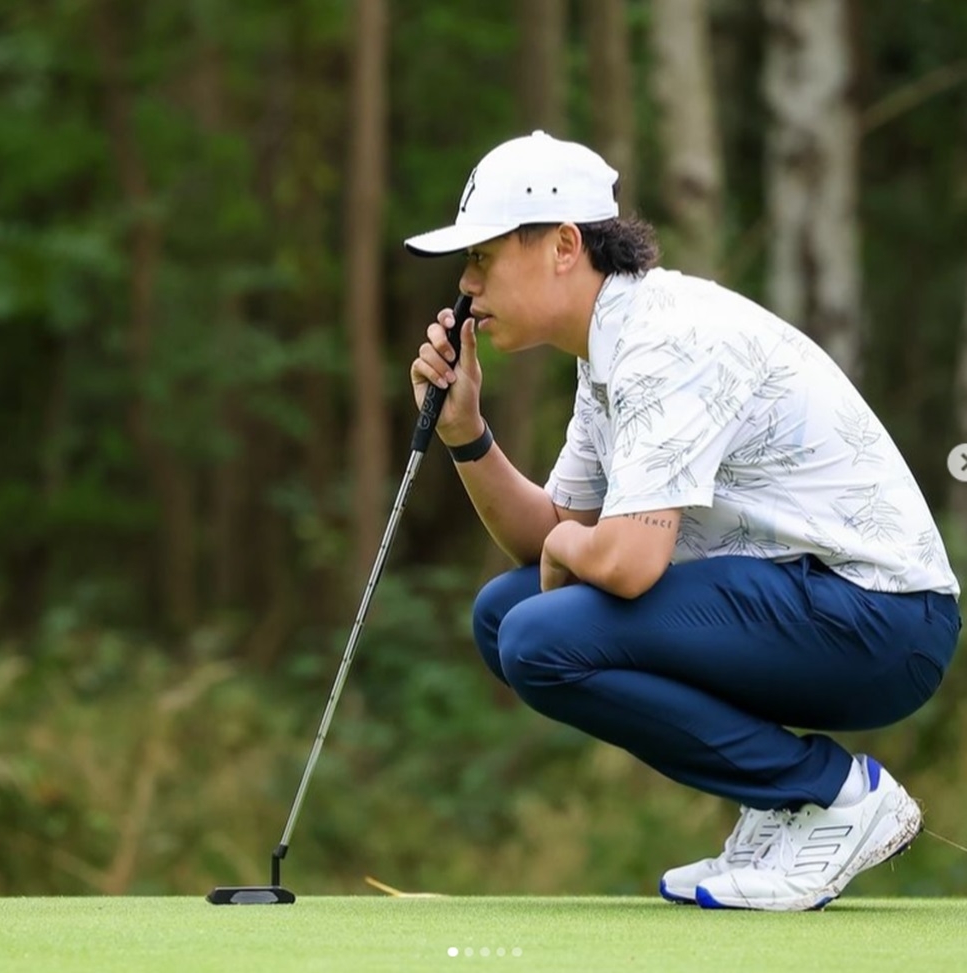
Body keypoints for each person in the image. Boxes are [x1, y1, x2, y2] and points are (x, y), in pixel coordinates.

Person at [404, 130, 961, 911]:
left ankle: (835, 795)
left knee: (537, 633)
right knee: (509, 614)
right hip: (815, 607)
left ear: (564, 245)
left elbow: (624, 562)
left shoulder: (664, 342)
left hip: (884, 619)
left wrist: (569, 543)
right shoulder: (607, 347)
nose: (466, 284)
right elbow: (552, 536)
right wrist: (468, 435)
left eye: (483, 258)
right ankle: (787, 805)